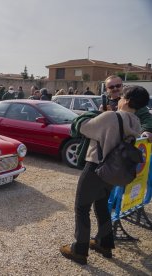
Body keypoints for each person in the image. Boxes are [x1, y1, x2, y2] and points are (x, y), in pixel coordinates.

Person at [60, 85, 150, 265]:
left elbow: (82, 127)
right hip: (114, 170)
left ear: (127, 100)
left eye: (122, 96)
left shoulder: (110, 116)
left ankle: (79, 249)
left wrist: (95, 113)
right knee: (101, 206)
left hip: (96, 167)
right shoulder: (136, 121)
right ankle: (104, 243)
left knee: (81, 207)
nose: (119, 99)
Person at [99, 75, 152, 140]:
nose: (115, 88)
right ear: (107, 89)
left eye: (118, 85)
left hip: (128, 143)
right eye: (111, 87)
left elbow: (148, 121)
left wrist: (143, 133)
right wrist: (101, 114)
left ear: (122, 86)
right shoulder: (105, 103)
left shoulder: (134, 101)